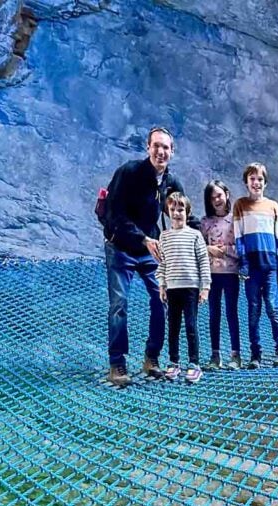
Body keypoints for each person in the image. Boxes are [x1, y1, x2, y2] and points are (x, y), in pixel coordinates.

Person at [102, 126, 195, 387]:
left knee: (161, 299)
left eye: (165, 147)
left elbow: (185, 215)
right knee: (119, 304)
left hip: (150, 249)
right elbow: (114, 214)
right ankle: (117, 363)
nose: (161, 152)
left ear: (172, 152)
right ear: (148, 148)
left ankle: (151, 358)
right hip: (120, 247)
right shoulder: (129, 173)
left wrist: (207, 240)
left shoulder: (170, 183)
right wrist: (143, 238)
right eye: (156, 146)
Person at [233, 162, 278, 370]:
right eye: (252, 179)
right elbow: (239, 237)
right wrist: (244, 265)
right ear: (246, 182)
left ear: (265, 182)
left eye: (260, 179)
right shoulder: (240, 205)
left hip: (270, 266)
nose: (256, 183)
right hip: (252, 269)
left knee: (272, 307)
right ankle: (255, 354)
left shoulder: (273, 206)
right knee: (253, 310)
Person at [157, 192, 211, 383]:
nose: (177, 213)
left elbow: (203, 261)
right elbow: (162, 263)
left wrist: (205, 287)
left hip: (190, 288)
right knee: (172, 327)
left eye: (181, 209)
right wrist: (162, 285)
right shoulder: (164, 237)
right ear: (167, 212)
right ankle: (173, 362)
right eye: (173, 209)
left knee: (190, 325)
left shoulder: (195, 235)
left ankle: (194, 364)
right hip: (172, 289)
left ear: (187, 212)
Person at [200, 180, 241, 370]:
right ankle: (215, 355)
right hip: (212, 275)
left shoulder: (236, 220)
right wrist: (208, 248)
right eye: (212, 197)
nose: (216, 199)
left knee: (231, 313)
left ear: (226, 194)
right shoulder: (205, 222)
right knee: (213, 314)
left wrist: (224, 249)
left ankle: (236, 355)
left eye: (219, 195)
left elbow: (241, 248)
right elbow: (199, 247)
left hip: (231, 274)